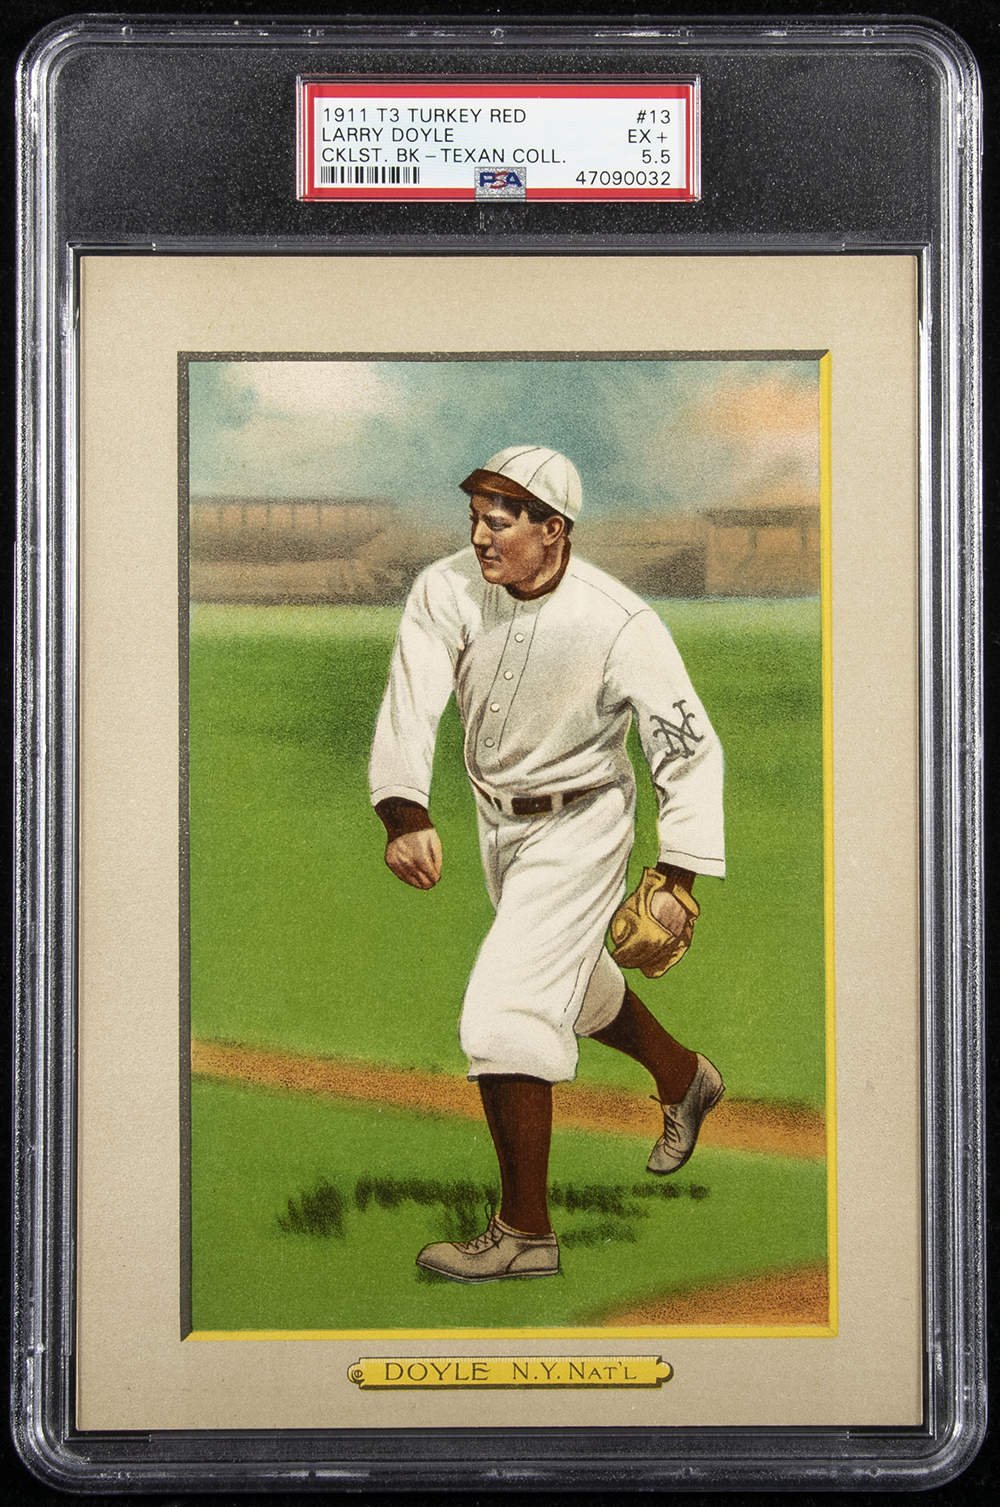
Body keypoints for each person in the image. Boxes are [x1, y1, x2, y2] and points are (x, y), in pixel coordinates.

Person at [369, 445, 725, 1283]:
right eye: (475, 518)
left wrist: (677, 874)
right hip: (498, 821)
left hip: (585, 822)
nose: (479, 537)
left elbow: (687, 746)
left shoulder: (620, 622)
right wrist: (403, 809)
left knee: (507, 1006)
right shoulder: (446, 589)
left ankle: (524, 1233)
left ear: (553, 529)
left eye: (500, 521)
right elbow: (412, 697)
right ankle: (685, 1077)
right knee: (578, 984)